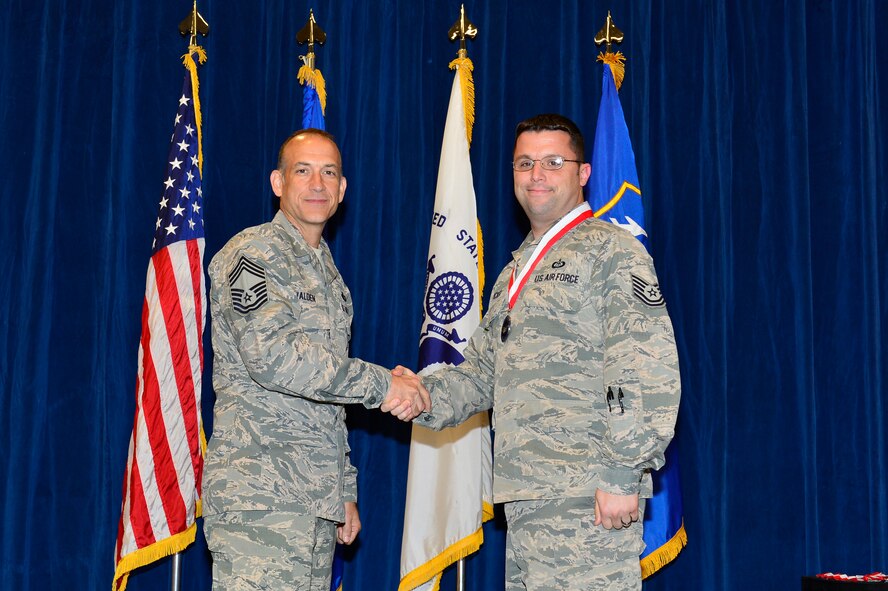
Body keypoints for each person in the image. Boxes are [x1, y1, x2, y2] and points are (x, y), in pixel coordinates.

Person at [402, 114, 680, 590]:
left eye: (553, 162)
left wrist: (620, 473)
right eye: (525, 163)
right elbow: (479, 376)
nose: (537, 175)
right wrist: (415, 393)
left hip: (588, 498)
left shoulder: (611, 251)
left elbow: (644, 365)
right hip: (529, 502)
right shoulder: (514, 273)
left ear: (583, 173)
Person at [203, 129, 429, 591]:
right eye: (302, 171)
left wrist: (341, 489)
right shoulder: (253, 254)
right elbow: (276, 358)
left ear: (343, 190)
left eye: (329, 173)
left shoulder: (326, 271)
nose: (318, 184)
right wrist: (383, 384)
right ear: (277, 183)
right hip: (260, 497)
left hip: (312, 501)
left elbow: (326, 400)